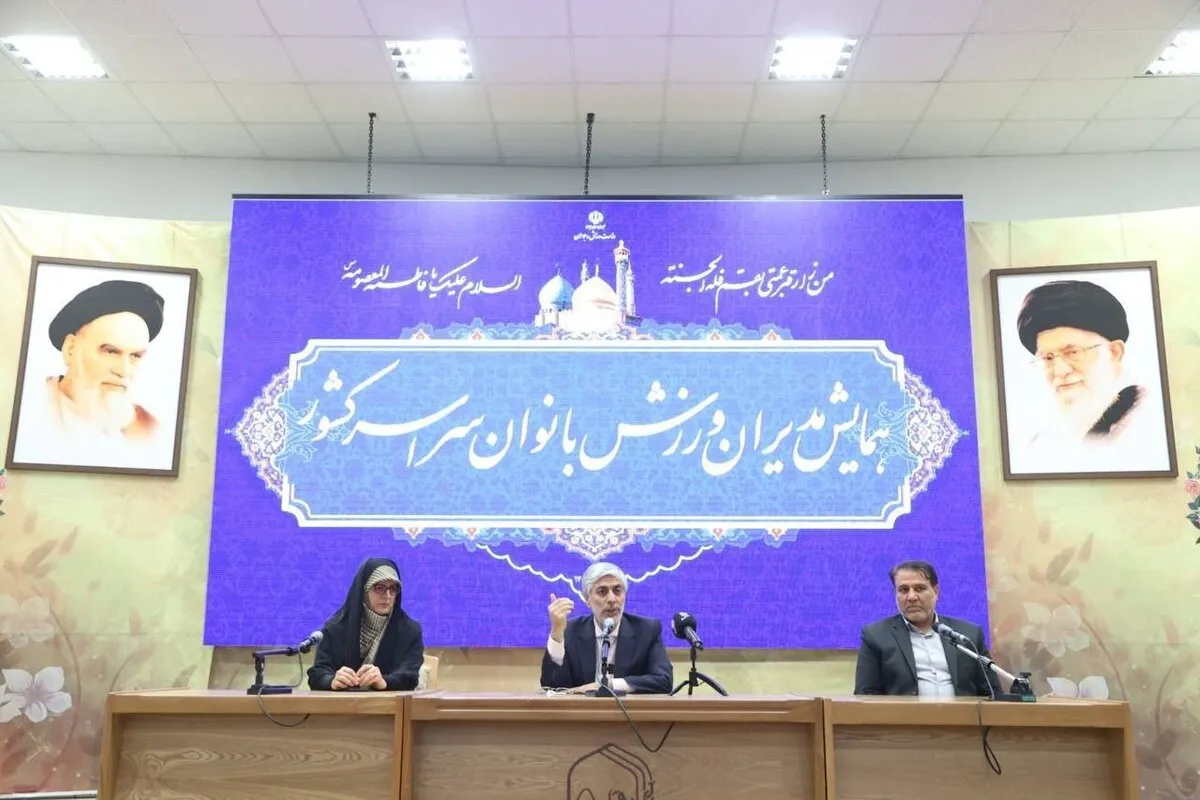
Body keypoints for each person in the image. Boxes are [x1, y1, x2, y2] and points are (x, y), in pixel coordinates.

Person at [1014, 279, 1162, 470]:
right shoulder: (1040, 447)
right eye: (1047, 358)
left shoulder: (1150, 425)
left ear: (1114, 352)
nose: (1060, 371)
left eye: (1073, 352)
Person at [44, 279, 165, 444]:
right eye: (111, 352)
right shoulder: (34, 407)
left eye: (135, 356)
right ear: (71, 349)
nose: (124, 371)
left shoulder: (148, 430)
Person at [854, 560, 998, 697]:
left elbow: (992, 692)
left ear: (936, 592)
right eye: (903, 590)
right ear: (895, 594)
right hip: (904, 715)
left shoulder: (968, 634)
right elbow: (866, 694)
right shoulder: (876, 636)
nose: (911, 597)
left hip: (962, 714)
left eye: (919, 589)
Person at [541, 562, 673, 694]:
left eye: (617, 591)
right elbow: (551, 687)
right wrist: (557, 634)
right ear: (587, 599)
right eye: (602, 592)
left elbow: (664, 680)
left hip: (628, 708)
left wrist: (609, 685)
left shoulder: (647, 630)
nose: (611, 599)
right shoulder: (570, 631)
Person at [308, 558, 424, 691]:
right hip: (342, 702)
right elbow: (317, 674)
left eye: (393, 588)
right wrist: (331, 680)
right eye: (379, 588)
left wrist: (385, 681)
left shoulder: (410, 631)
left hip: (388, 703)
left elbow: (410, 677)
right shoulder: (335, 628)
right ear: (363, 590)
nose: (387, 595)